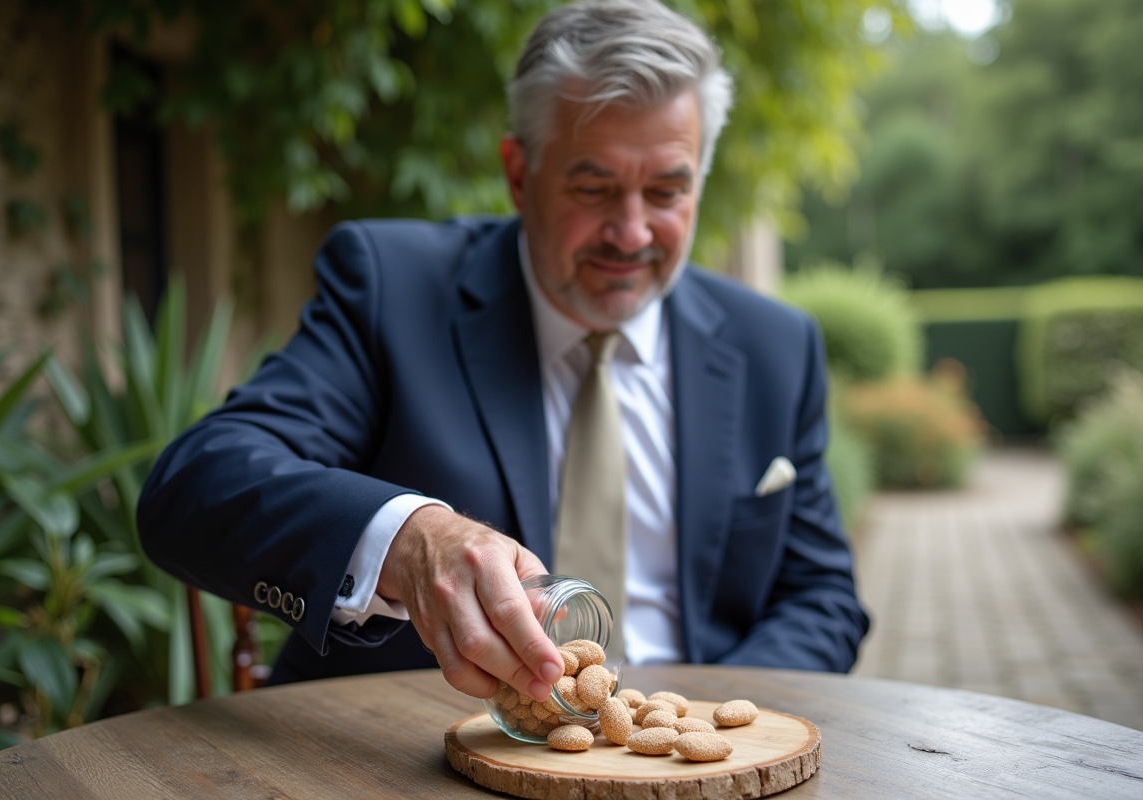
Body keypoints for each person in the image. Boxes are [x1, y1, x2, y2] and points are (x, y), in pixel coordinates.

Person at [137, 0, 868, 704]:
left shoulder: (775, 345)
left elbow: (821, 596)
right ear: (519, 173)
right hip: (399, 763)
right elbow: (196, 484)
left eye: (668, 191)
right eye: (595, 186)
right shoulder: (392, 288)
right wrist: (410, 540)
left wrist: (686, 729)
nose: (633, 232)